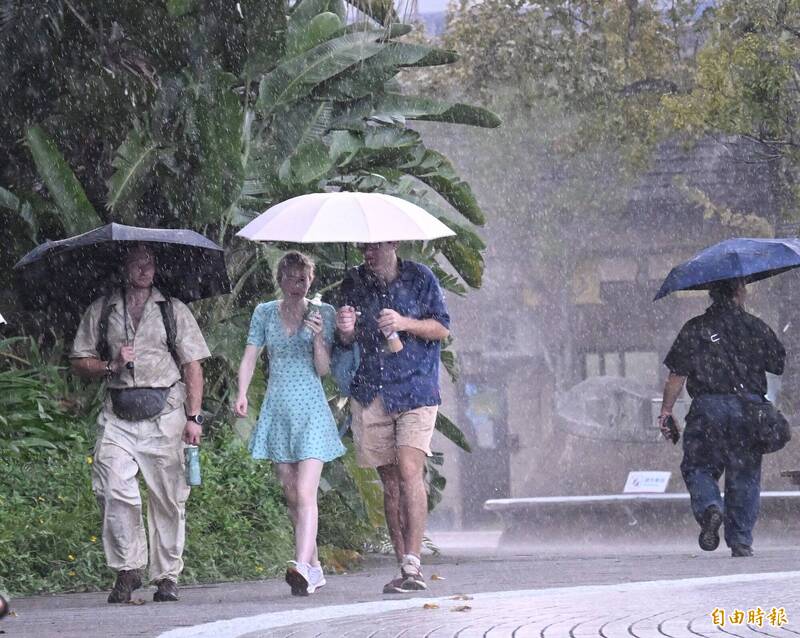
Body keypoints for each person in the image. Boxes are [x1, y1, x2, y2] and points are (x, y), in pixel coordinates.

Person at [70, 244, 210, 603]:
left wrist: (193, 418)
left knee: (169, 499)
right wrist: (110, 365)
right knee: (113, 486)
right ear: (124, 267)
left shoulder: (172, 310)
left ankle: (166, 577)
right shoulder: (103, 309)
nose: (144, 269)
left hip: (166, 412)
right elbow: (80, 360)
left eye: (149, 262)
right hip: (118, 413)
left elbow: (193, 365)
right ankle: (128, 568)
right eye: (136, 262)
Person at [336, 241, 450, 594]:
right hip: (372, 388)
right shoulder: (353, 282)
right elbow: (345, 341)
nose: (368, 253)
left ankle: (414, 561)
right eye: (363, 248)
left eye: (375, 247)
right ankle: (404, 565)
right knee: (391, 483)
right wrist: (345, 329)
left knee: (409, 470)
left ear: (393, 245)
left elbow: (442, 328)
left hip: (416, 387)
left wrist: (404, 322)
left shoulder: (421, 277)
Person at [235, 251, 345, 596]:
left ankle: (299, 564)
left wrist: (316, 338)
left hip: (311, 409)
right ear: (280, 279)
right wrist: (242, 393)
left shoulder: (322, 313)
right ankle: (313, 567)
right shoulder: (264, 312)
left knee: (304, 491)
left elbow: (324, 369)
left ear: (311, 280)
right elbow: (251, 354)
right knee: (290, 493)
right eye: (292, 278)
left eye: (304, 279)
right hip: (278, 409)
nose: (298, 285)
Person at [658, 278, 785, 558]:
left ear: (712, 294)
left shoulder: (695, 328)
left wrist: (666, 411)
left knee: (699, 468)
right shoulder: (756, 326)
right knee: (745, 476)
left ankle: (711, 508)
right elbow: (778, 363)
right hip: (749, 411)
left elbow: (676, 375)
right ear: (739, 292)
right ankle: (740, 540)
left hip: (708, 409)